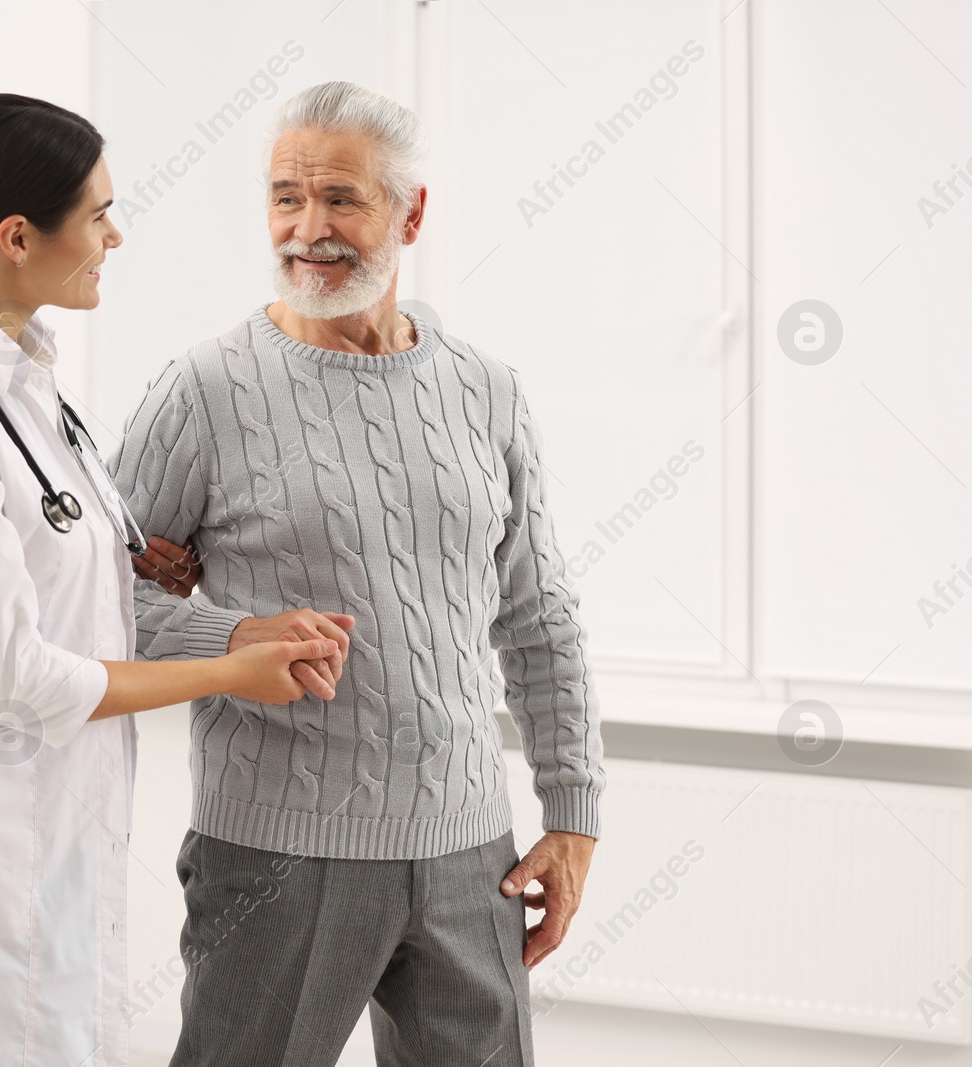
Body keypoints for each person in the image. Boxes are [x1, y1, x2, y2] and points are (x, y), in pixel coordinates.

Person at [0, 93, 344, 1067]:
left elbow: (83, 590)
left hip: (30, 830)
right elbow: (19, 676)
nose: (113, 235)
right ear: (15, 235)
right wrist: (227, 676)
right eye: (96, 215)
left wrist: (233, 631)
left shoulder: (19, 388)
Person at [110, 81, 607, 1067]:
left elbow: (539, 614)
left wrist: (571, 811)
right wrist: (235, 637)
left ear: (410, 212)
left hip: (472, 850)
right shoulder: (202, 392)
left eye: (340, 198)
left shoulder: (488, 392)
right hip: (275, 853)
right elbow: (100, 604)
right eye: (285, 197)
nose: (308, 228)